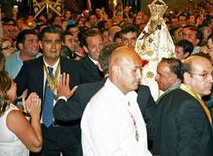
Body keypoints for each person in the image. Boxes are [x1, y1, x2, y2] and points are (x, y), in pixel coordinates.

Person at [14, 26, 83, 156]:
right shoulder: (30, 67)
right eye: (48, 41)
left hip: (70, 129)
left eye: (57, 42)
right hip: (41, 130)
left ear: (61, 44)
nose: (53, 46)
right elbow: (13, 91)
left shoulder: (74, 67)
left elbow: (89, 93)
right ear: (41, 44)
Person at [81, 46, 152, 155]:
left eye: (140, 70)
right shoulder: (101, 107)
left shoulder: (131, 98)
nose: (139, 76)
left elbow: (140, 147)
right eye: (134, 70)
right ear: (116, 70)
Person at [152, 55, 213, 156]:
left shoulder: (168, 96)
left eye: (212, 74)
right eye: (204, 75)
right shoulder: (190, 105)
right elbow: (188, 149)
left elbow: (152, 133)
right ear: (187, 77)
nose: (211, 80)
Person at [0, 71, 42, 155]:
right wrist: (35, 115)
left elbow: (16, 130)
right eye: (12, 83)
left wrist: (26, 112)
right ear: (6, 91)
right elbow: (36, 146)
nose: (15, 84)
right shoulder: (13, 115)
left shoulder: (5, 108)